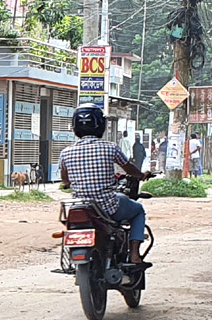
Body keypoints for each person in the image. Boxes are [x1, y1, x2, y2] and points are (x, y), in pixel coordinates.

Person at [59, 106, 153, 266]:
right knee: (138, 210)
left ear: (75, 128)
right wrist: (141, 175)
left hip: (79, 207)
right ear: (101, 125)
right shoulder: (110, 147)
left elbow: (65, 181)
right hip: (108, 207)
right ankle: (135, 255)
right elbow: (129, 168)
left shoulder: (66, 152)